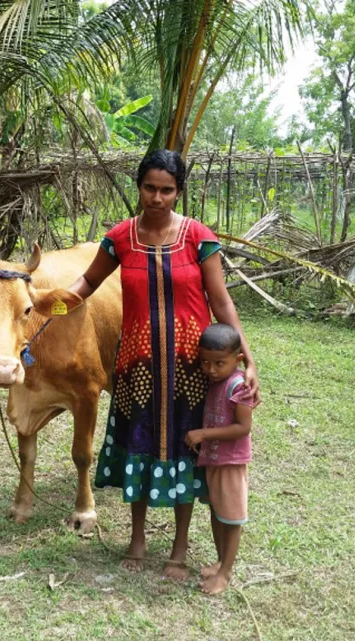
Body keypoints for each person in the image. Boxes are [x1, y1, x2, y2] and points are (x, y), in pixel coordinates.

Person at [67, 149, 260, 581]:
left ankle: (179, 546)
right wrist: (49, 301)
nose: (157, 197)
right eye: (150, 188)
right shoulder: (120, 238)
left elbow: (221, 301)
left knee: (185, 451)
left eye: (167, 190)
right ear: (138, 187)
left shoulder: (198, 237)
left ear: (178, 192)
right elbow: (88, 281)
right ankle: (136, 539)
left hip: (192, 369)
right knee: (139, 446)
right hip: (136, 366)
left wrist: (247, 359)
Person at [184, 323, 259, 595]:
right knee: (217, 513)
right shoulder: (215, 382)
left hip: (230, 463)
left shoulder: (239, 386)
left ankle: (225, 573)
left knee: (232, 519)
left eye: (219, 363)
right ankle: (220, 561)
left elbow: (243, 427)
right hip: (214, 460)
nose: (211, 369)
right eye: (205, 362)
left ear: (237, 360)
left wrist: (204, 434)